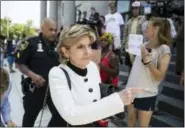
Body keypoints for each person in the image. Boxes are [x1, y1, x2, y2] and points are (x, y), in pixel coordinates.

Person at [49, 24, 144, 127]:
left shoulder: (92, 67)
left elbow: (96, 100)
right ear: (65, 51)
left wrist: (121, 96)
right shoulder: (57, 73)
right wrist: (117, 100)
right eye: (80, 47)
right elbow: (71, 115)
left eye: (89, 45)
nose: (88, 52)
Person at [15, 18, 63, 127]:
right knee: (28, 121)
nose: (53, 33)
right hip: (35, 91)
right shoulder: (30, 43)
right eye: (50, 30)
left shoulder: (58, 46)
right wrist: (32, 75)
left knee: (60, 118)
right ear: (43, 28)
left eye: (55, 30)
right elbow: (19, 63)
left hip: (54, 91)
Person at [126, 18, 172, 127]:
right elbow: (137, 68)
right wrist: (129, 49)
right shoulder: (143, 44)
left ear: (156, 29)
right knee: (130, 121)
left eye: (148, 27)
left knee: (143, 125)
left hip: (147, 93)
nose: (145, 29)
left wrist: (148, 62)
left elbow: (159, 76)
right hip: (131, 90)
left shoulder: (164, 49)